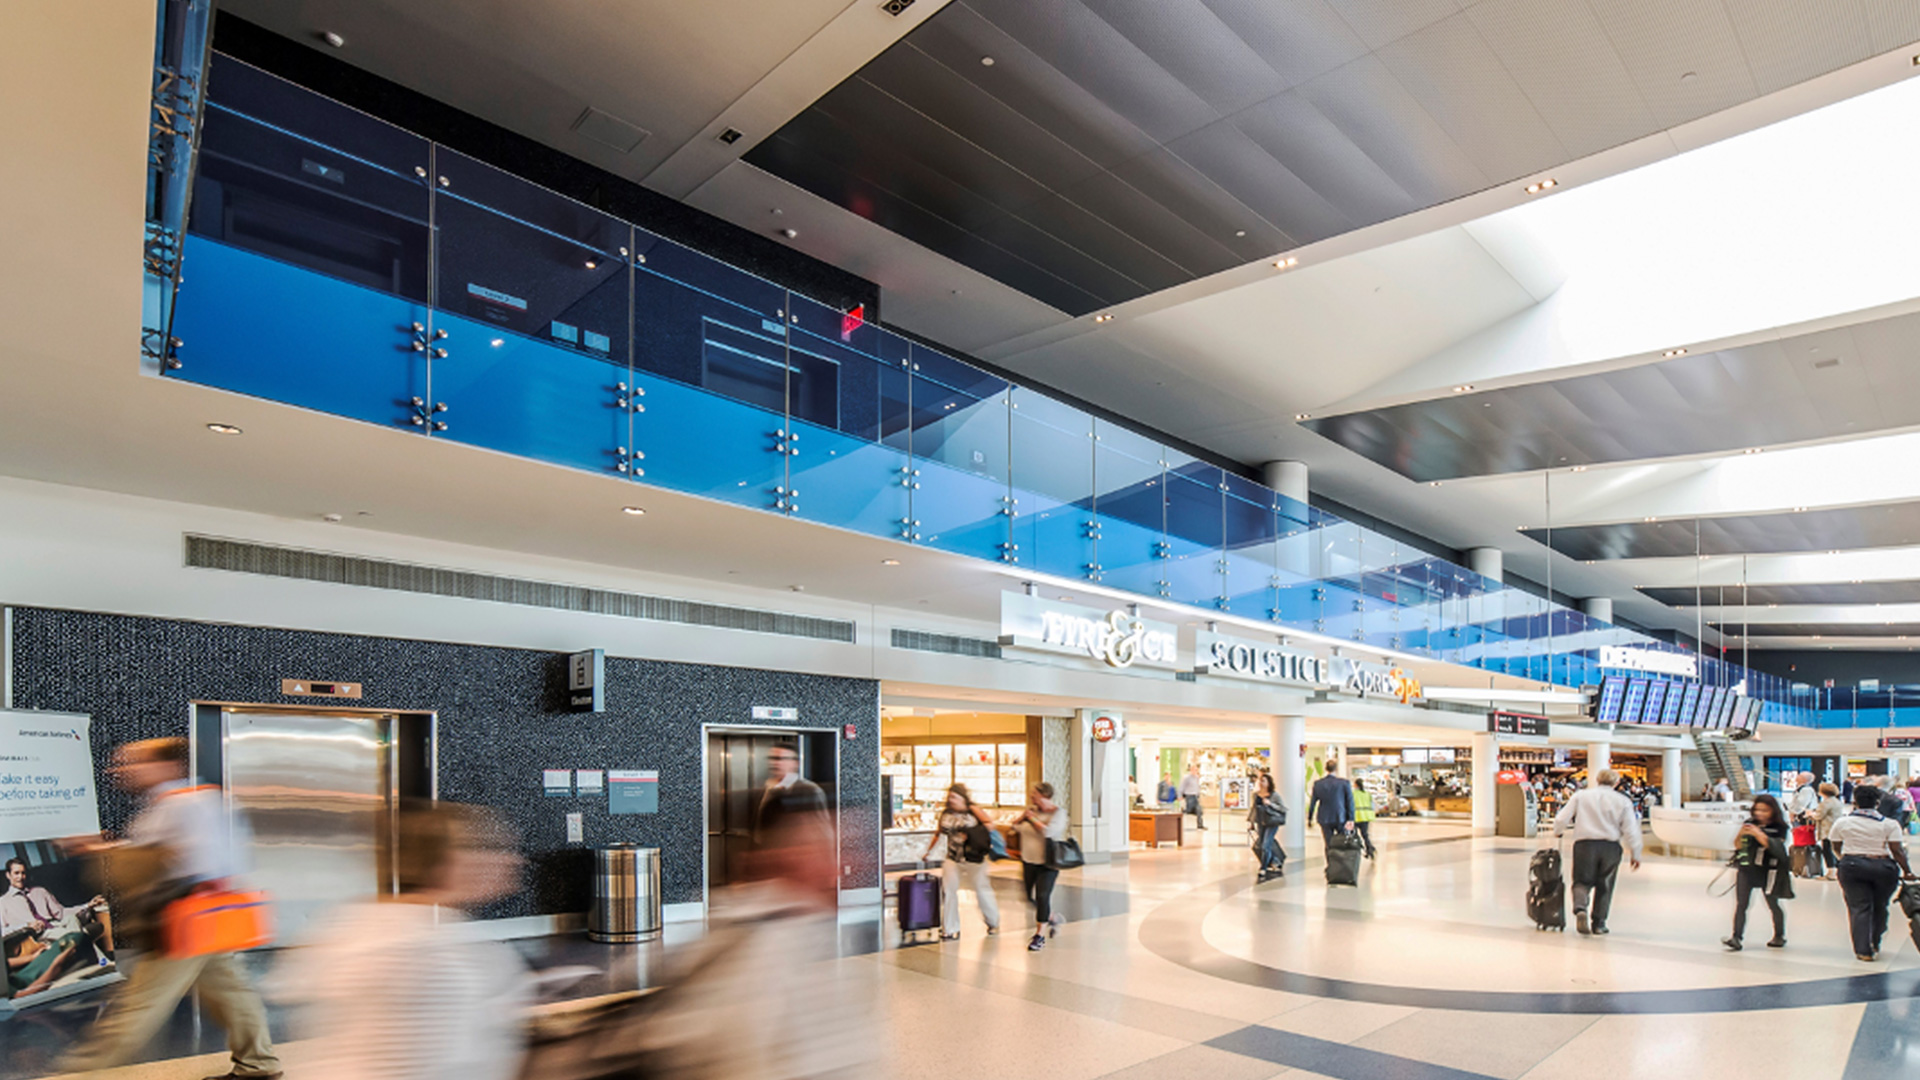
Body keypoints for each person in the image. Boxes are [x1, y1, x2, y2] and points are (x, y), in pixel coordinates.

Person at [59, 737, 282, 1079]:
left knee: (138, 1007)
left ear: (168, 766)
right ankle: (258, 1064)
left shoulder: (177, 805)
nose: (122, 770)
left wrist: (96, 851)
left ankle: (77, 1074)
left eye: (135, 761)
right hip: (211, 918)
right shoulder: (208, 797)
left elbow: (162, 864)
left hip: (180, 921)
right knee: (233, 995)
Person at [275, 802, 527, 1080]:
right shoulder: (428, 953)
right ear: (448, 861)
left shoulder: (349, 923)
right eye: (489, 848)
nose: (513, 860)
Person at [1829, 784, 1918, 961]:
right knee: (1880, 905)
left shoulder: (1842, 823)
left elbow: (1835, 845)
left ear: (1855, 803)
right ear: (1877, 803)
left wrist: (1844, 858)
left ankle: (1863, 950)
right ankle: (1875, 942)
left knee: (1859, 907)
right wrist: (1907, 871)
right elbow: (1897, 851)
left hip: (1852, 866)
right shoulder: (1890, 824)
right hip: (1883, 867)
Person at [1552, 769, 1644, 936]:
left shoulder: (1581, 796)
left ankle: (1580, 908)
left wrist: (1557, 831)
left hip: (1584, 844)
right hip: (1610, 847)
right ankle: (1599, 924)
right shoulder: (1623, 801)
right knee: (1605, 885)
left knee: (1581, 881)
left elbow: (1561, 818)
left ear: (1597, 780)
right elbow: (1631, 829)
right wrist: (1635, 853)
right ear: (1616, 783)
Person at [923, 784, 999, 941]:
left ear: (963, 798)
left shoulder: (973, 810)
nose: (952, 800)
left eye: (955, 797)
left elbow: (990, 825)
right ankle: (950, 928)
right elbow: (939, 833)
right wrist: (929, 851)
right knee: (949, 890)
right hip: (953, 857)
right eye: (950, 797)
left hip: (974, 857)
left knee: (981, 889)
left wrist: (971, 833)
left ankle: (993, 921)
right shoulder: (946, 813)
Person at [1723, 794, 1794, 951]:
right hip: (1747, 869)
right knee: (1741, 904)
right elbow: (1737, 845)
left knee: (1773, 903)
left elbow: (1775, 847)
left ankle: (1779, 935)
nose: (1760, 813)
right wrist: (1742, 834)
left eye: (1764, 810)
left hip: (1769, 871)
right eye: (1757, 810)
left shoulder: (1780, 827)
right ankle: (1736, 937)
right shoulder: (1749, 823)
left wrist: (1758, 834)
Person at [1011, 782, 1067, 951]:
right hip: (1028, 860)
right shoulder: (1031, 810)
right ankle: (1052, 917)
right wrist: (1023, 817)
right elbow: (1015, 828)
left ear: (1044, 795)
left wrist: (1032, 819)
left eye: (1034, 794)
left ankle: (1039, 935)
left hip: (1048, 863)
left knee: (1042, 896)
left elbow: (1048, 832)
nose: (1031, 796)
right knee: (1029, 897)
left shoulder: (1058, 813)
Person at [755, 743, 828, 850]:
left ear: (795, 763)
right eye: (772, 758)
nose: (775, 763)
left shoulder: (809, 791)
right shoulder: (765, 789)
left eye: (781, 759)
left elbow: (821, 830)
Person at [1307, 762, 1355, 851]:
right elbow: (1350, 802)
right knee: (1342, 841)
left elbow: (1313, 802)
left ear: (1326, 769)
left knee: (1328, 843)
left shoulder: (1318, 784)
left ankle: (1330, 858)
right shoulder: (1344, 783)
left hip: (1324, 817)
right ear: (1336, 769)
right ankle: (1340, 858)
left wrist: (1310, 818)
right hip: (1340, 816)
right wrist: (1351, 818)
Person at [1249, 774, 1286, 882]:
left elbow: (1282, 809)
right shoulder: (1256, 795)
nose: (1261, 783)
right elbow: (1254, 809)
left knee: (1266, 845)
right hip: (1260, 822)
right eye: (1260, 781)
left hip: (1272, 822)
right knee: (1263, 844)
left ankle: (1263, 867)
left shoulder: (1274, 795)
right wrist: (1251, 822)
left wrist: (1270, 804)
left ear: (1269, 783)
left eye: (1263, 781)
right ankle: (1275, 861)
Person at [1815, 781, 1845, 881]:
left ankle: (1831, 872)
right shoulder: (1837, 802)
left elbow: (1819, 815)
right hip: (1836, 828)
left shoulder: (1826, 803)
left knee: (1827, 850)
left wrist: (1810, 814)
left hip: (1827, 829)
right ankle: (1837, 871)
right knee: (1835, 850)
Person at [1351, 778, 1377, 859]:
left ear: (1356, 785)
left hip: (1356, 817)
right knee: (1365, 835)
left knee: (1353, 834)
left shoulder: (1353, 794)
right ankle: (1370, 849)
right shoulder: (1367, 794)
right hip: (1366, 817)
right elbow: (1372, 805)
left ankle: (1358, 849)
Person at [1179, 765, 1207, 830]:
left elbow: (1196, 787)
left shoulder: (1196, 778)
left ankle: (1200, 825)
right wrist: (1180, 795)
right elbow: (1182, 786)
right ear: (1191, 770)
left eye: (1196, 770)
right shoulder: (1186, 778)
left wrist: (1198, 794)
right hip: (1189, 796)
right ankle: (1182, 811)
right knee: (1189, 810)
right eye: (1194, 770)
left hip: (1195, 797)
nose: (1195, 771)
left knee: (1199, 810)